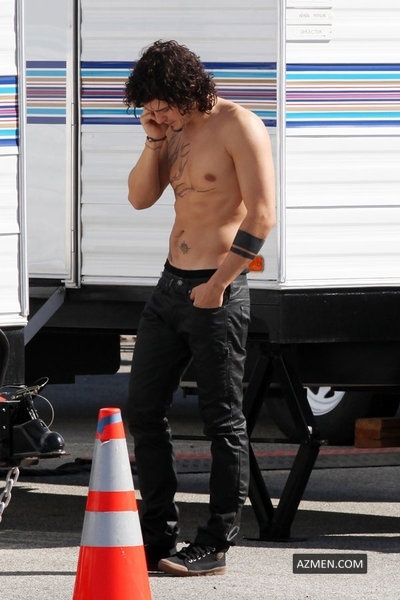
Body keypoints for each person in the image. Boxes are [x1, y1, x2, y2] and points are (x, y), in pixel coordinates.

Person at [124, 40, 275, 577]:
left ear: (186, 89)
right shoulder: (172, 131)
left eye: (162, 107)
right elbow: (140, 198)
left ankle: (216, 541)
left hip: (218, 289)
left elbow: (262, 214)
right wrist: (153, 138)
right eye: (149, 109)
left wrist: (219, 283)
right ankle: (157, 534)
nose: (158, 116)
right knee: (143, 409)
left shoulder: (239, 125)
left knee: (221, 419)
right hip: (169, 287)